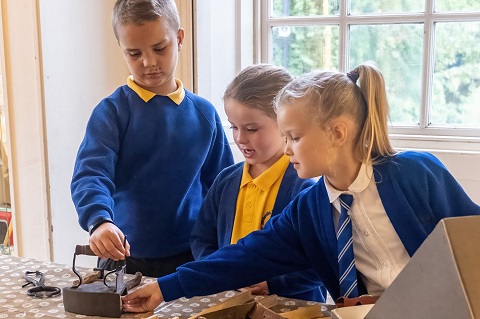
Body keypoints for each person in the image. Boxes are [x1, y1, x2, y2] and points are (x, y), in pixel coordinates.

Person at [121, 62, 480, 312]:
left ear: (337, 133)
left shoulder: (417, 173)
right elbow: (243, 256)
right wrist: (165, 287)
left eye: (293, 136)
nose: (287, 147)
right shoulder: (310, 209)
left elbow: (472, 247)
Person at [70, 0, 234, 277]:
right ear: (121, 49)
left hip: (191, 260)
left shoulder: (204, 113)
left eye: (160, 48)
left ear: (179, 38)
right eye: (134, 53)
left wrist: (226, 251)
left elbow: (224, 189)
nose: (149, 62)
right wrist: (99, 221)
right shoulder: (112, 112)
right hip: (122, 258)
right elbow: (90, 174)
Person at [190, 64, 326, 302]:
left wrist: (272, 283)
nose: (240, 138)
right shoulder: (225, 182)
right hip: (229, 304)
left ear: (285, 124)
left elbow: (321, 265)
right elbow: (202, 238)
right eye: (234, 127)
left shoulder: (306, 188)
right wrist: (217, 273)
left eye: (252, 129)